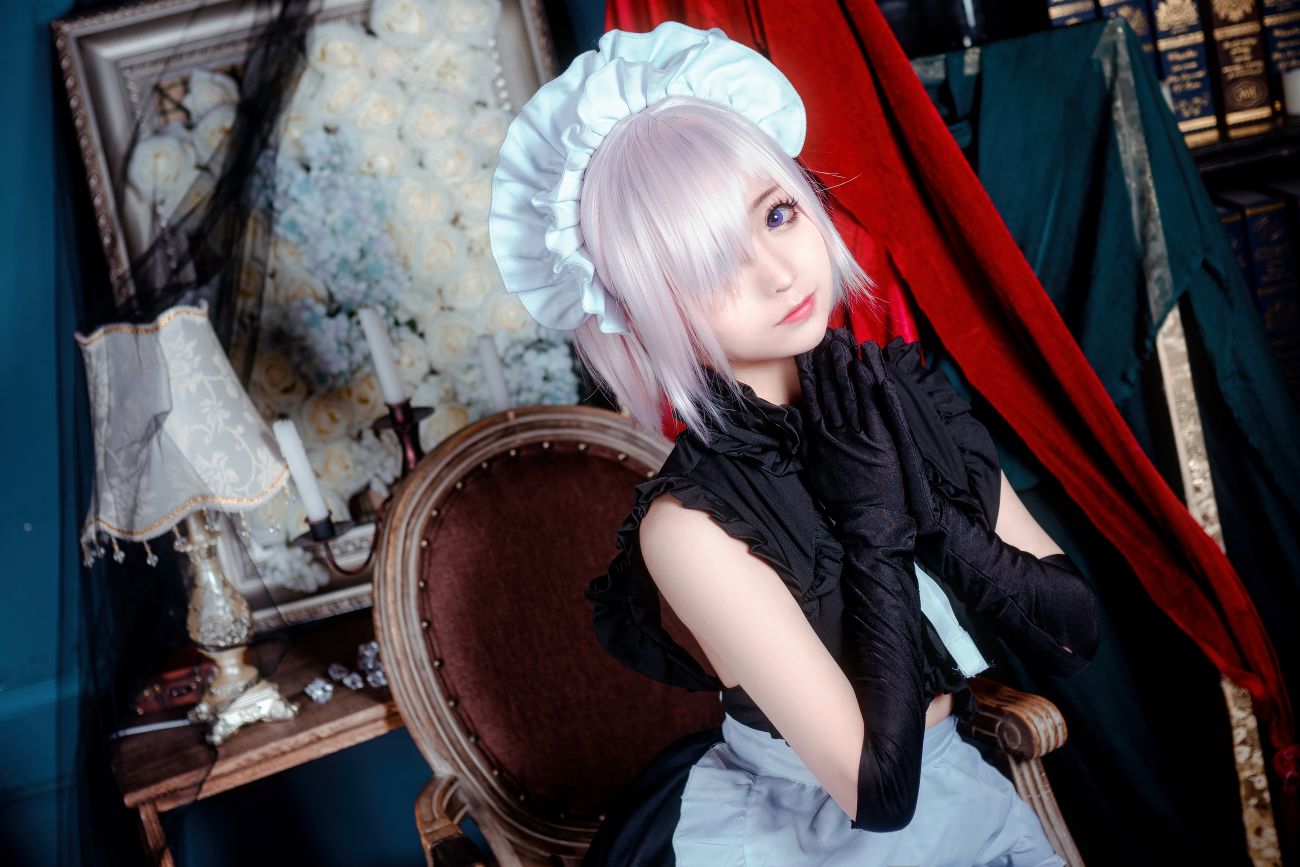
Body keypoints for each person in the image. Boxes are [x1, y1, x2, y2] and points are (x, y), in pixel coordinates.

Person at [488, 20, 1099, 865]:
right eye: (712, 265)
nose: (779, 272)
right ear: (647, 306)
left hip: (962, 786)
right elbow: (879, 794)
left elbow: (1072, 635)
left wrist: (931, 517)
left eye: (777, 213)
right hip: (808, 835)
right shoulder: (688, 528)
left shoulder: (899, 394)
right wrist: (877, 525)